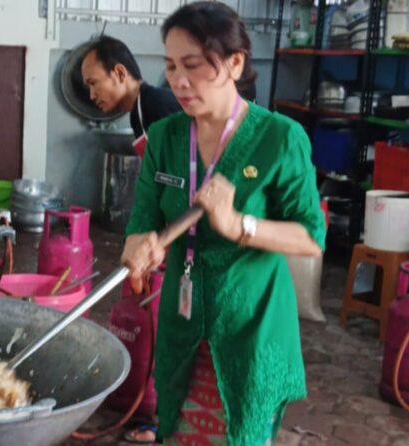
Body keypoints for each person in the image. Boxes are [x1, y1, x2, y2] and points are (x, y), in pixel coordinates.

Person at [120, 2, 325, 445]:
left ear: (235, 63)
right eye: (171, 66)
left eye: (193, 66)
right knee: (180, 429)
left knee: (241, 433)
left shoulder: (279, 138)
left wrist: (239, 225)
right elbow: (142, 220)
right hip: (182, 322)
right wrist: (138, 247)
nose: (178, 81)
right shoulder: (164, 137)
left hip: (252, 329)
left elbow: (310, 236)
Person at [80, 35, 182, 157]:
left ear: (120, 73)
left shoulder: (156, 105)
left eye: (93, 83)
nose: (92, 95)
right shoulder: (138, 114)